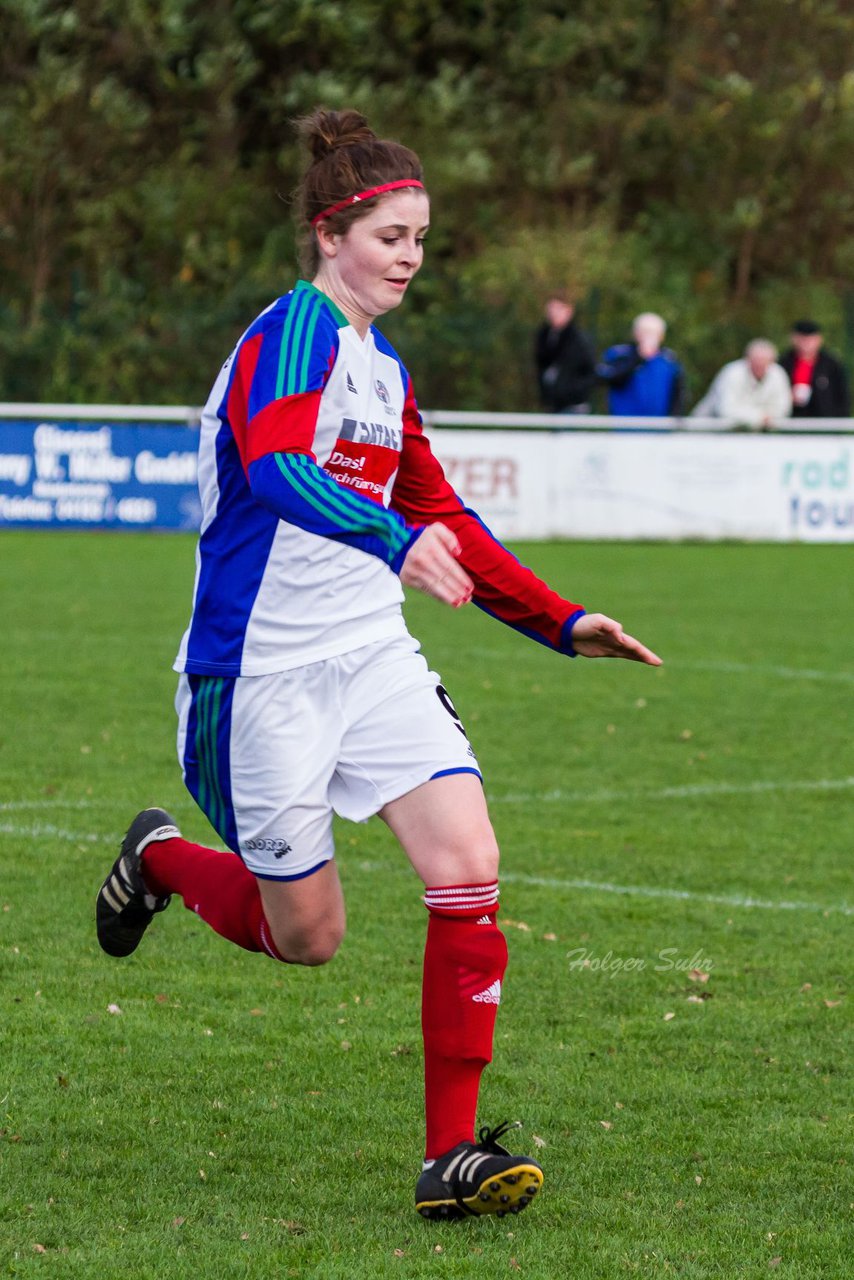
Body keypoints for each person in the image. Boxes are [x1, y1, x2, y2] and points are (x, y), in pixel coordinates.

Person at [95, 108, 661, 1223]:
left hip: (368, 657)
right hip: (257, 673)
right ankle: (160, 858)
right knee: (306, 936)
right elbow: (274, 469)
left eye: (419, 238)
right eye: (390, 235)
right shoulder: (291, 335)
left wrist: (561, 618)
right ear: (328, 234)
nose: (408, 256)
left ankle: (449, 1157)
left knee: (468, 863)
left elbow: (441, 512)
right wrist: (395, 542)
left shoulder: (383, 371)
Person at [596, 312, 684, 417]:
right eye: (645, 332)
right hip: (624, 424)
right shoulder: (620, 354)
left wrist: (675, 416)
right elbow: (611, 378)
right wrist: (638, 358)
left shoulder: (669, 360)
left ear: (661, 336)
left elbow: (678, 391)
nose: (649, 337)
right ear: (635, 333)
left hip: (659, 426)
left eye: (653, 333)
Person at [691, 339, 792, 428]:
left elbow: (782, 408)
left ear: (772, 361)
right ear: (747, 359)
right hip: (710, 429)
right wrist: (759, 418)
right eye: (756, 360)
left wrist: (757, 419)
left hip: (754, 433)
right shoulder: (732, 373)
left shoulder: (778, 374)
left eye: (764, 361)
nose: (760, 365)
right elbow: (726, 409)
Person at [534, 292, 596, 413]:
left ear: (568, 311)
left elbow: (590, 370)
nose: (553, 314)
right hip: (553, 402)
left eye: (557, 309)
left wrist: (573, 391)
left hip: (574, 404)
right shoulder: (545, 337)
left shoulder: (579, 339)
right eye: (551, 310)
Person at [778, 320, 850, 418]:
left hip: (826, 421)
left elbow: (842, 395)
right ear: (794, 339)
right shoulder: (784, 363)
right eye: (803, 339)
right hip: (792, 419)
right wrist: (787, 398)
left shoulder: (831, 364)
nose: (806, 344)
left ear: (819, 340)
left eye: (810, 339)